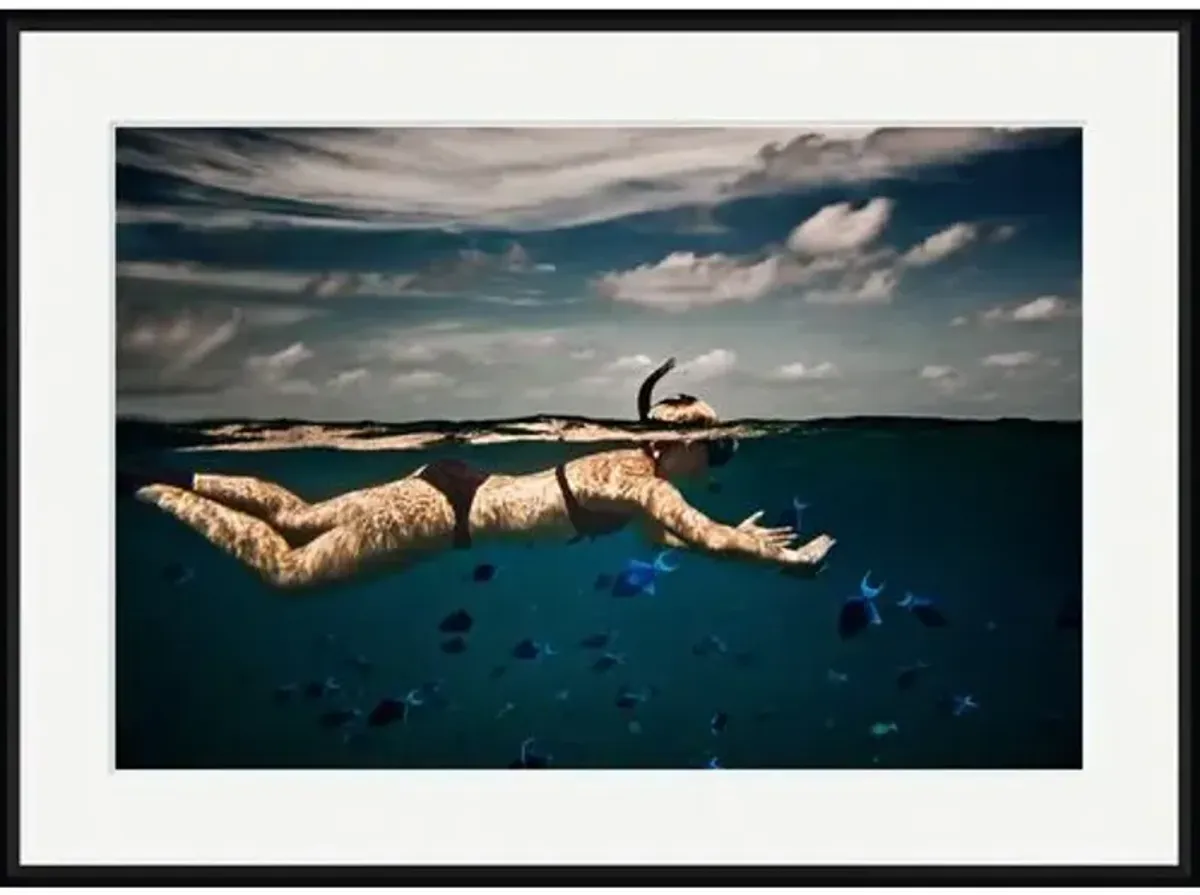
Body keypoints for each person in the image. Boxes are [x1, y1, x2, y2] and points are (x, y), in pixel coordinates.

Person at [120, 357, 836, 591]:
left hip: (451, 486)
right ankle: (153, 486)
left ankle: (173, 478)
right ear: (671, 444)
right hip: (445, 514)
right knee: (287, 567)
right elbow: (698, 536)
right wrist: (771, 555)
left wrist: (725, 538)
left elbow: (674, 540)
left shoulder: (639, 479)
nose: (720, 457)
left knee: (304, 516)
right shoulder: (640, 478)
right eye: (717, 446)